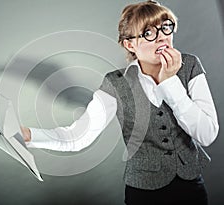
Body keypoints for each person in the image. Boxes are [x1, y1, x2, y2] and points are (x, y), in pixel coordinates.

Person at [20, 1, 219, 204]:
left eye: (165, 27)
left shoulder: (190, 66)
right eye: (148, 32)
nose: (162, 37)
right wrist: (29, 135)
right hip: (143, 193)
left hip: (191, 187)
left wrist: (169, 81)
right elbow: (78, 137)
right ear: (130, 44)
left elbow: (207, 135)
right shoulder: (116, 83)